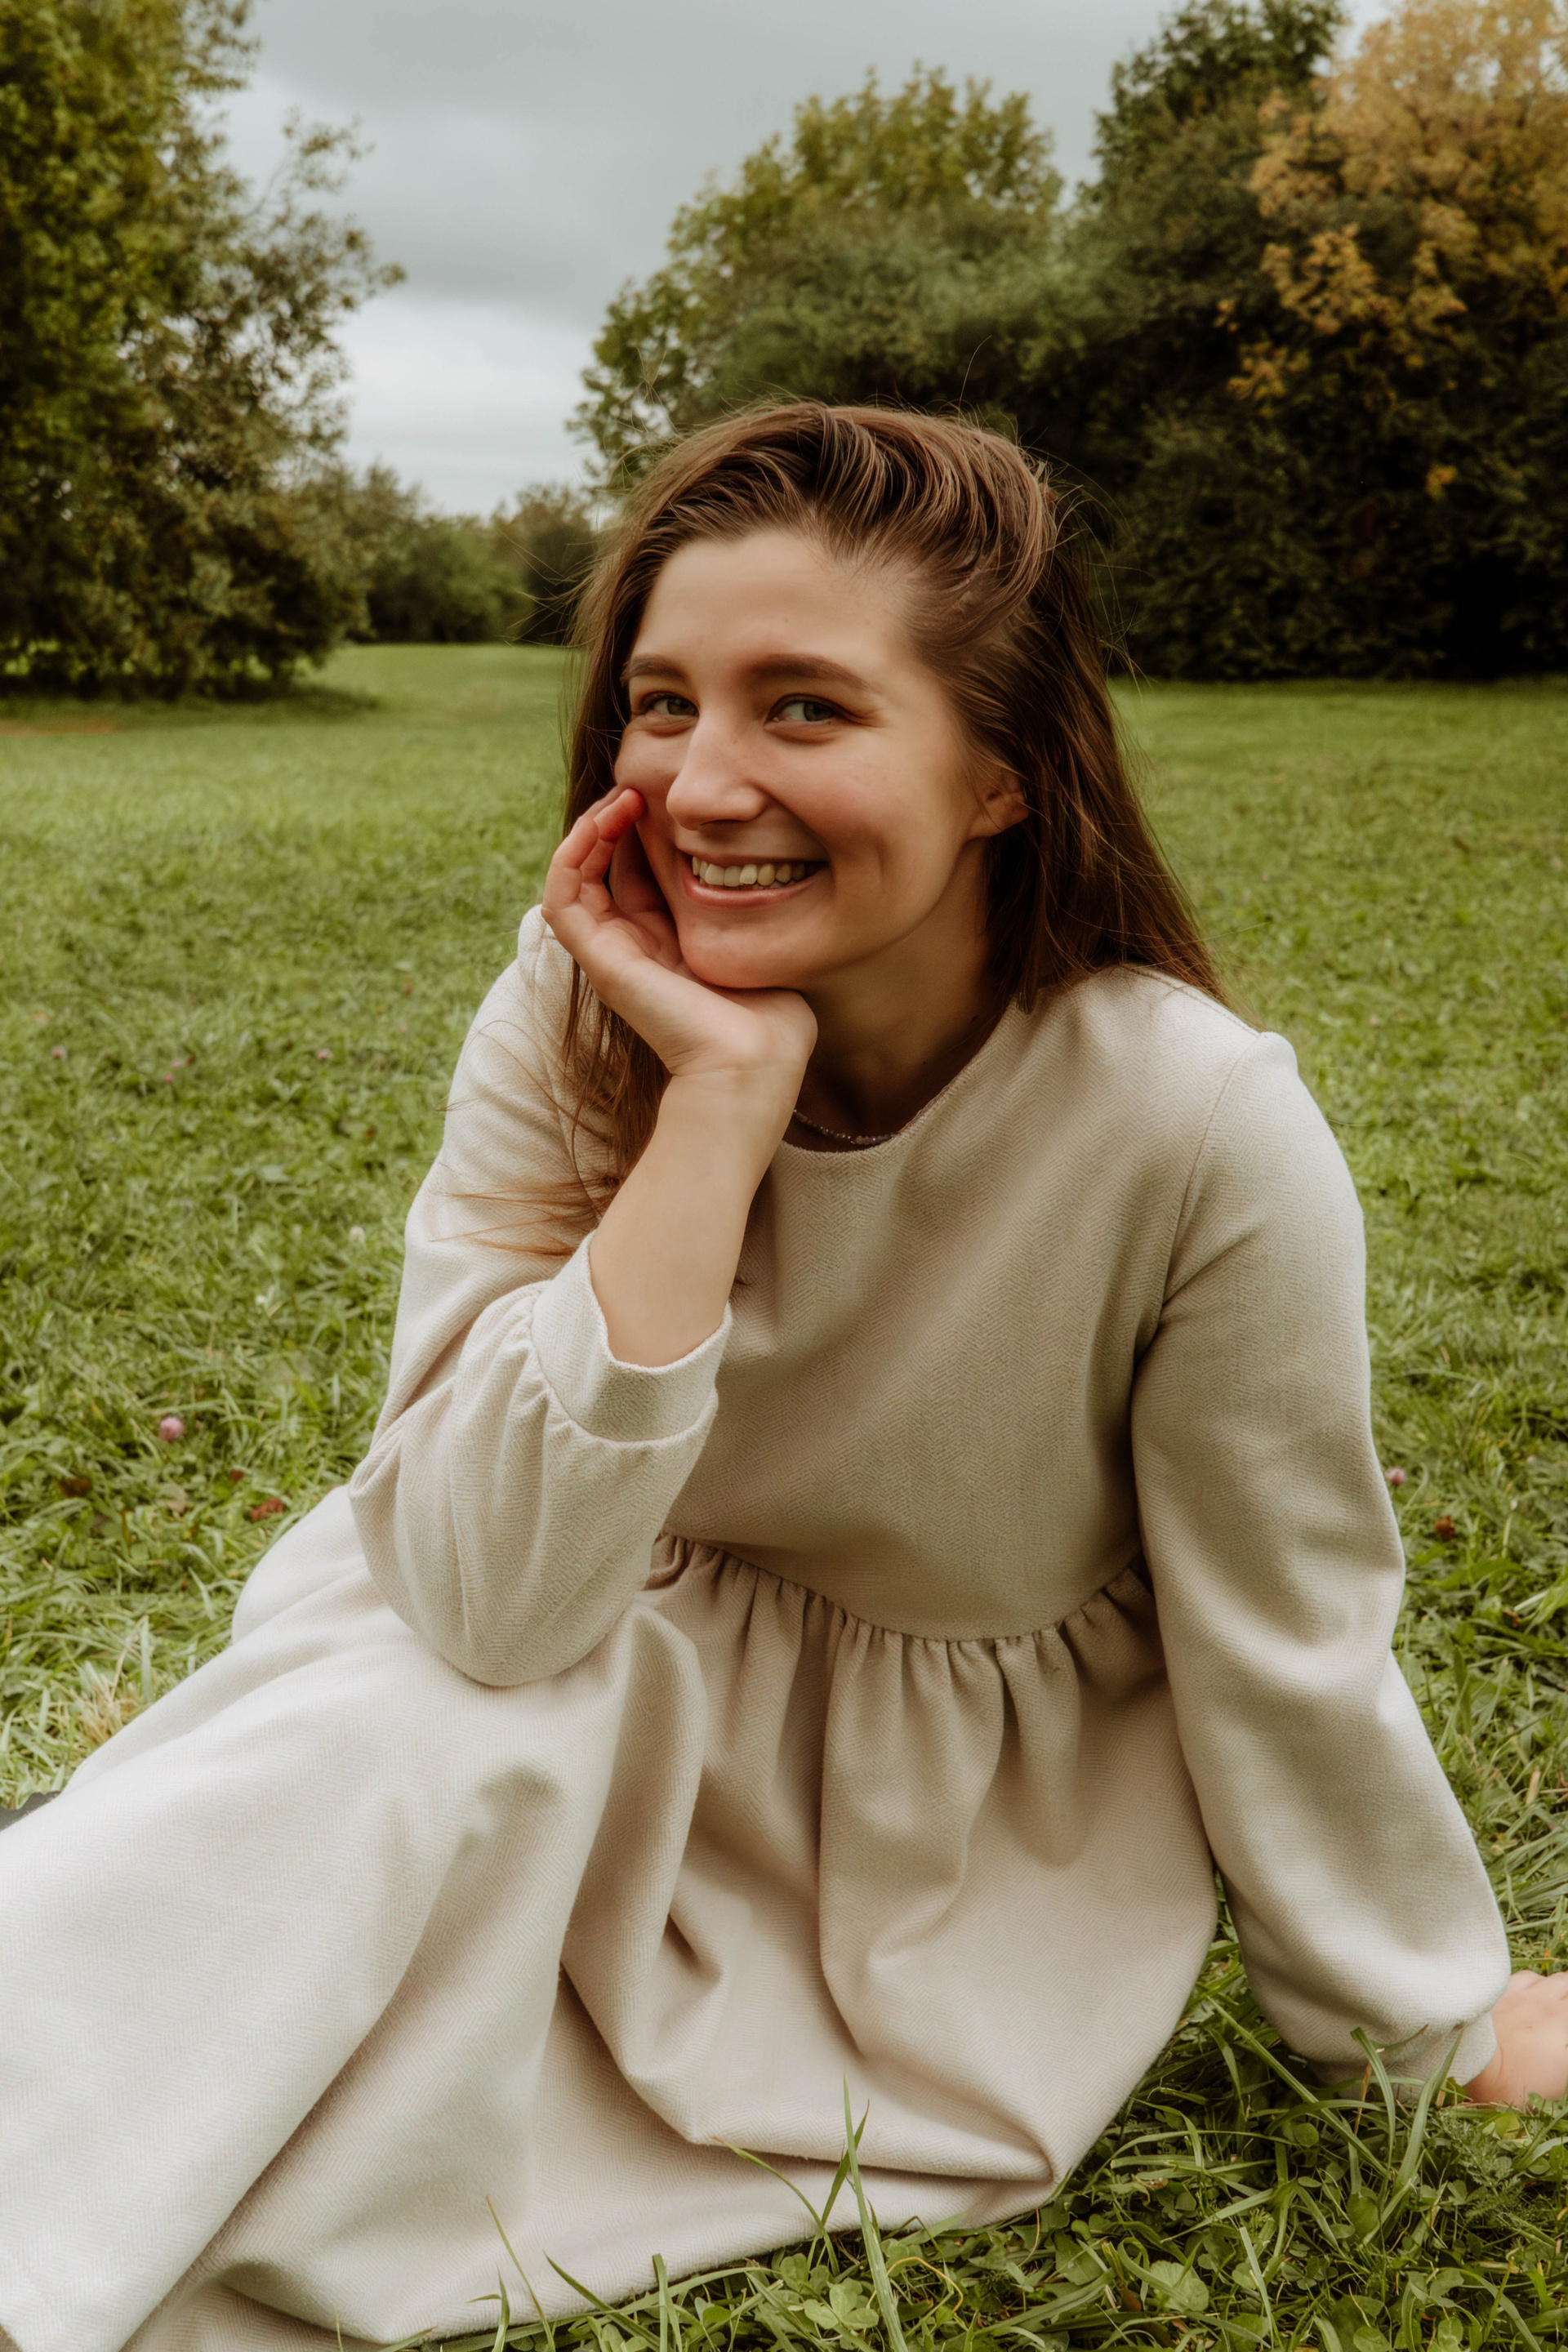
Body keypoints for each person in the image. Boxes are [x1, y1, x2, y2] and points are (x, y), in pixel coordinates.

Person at [1, 403, 1563, 2352]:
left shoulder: (1194, 1125)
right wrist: (718, 1109)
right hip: (513, 1709)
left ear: (1003, 771)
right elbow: (486, 1602)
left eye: (804, 708)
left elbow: (1288, 1629)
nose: (701, 783)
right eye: (663, 705)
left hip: (910, 1889)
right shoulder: (579, 1005)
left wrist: (1420, 2025)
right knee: (397, 1735)